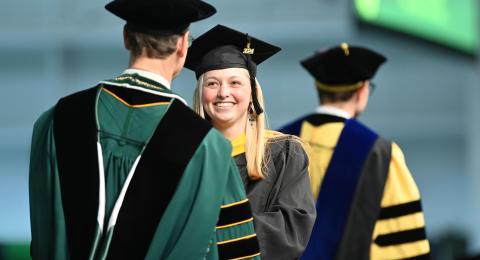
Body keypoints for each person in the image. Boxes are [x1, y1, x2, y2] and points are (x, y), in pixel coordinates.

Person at [28, 1, 261, 259]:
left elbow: (43, 233)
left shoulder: (56, 121)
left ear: (126, 37)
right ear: (184, 45)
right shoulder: (207, 148)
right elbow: (237, 252)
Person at [280, 43, 430, 260]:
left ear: (317, 87)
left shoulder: (275, 142)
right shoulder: (380, 154)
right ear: (362, 91)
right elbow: (401, 246)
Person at [185, 24, 316, 260]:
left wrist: (207, 232)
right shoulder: (184, 157)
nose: (223, 92)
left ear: (253, 93)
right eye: (212, 83)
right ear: (200, 93)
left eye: (235, 83)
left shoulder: (284, 154)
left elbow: (291, 232)